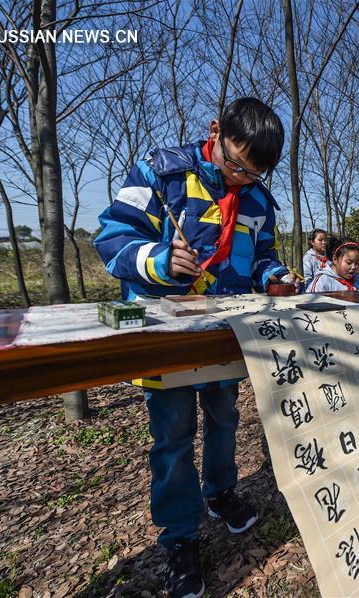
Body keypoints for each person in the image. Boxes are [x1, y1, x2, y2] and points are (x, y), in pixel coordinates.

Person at [94, 97, 289, 597]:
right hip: (168, 334)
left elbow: (260, 258)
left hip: (228, 331)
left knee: (224, 418)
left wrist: (275, 278)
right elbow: (111, 238)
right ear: (215, 131)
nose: (242, 179)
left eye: (255, 173)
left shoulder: (258, 201)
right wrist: (158, 260)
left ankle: (221, 490)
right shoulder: (160, 175)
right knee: (174, 437)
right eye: (236, 165)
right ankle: (179, 535)